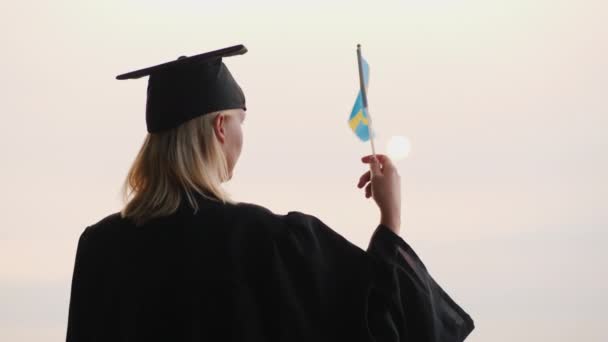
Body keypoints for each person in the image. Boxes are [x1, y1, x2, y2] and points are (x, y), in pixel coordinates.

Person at [66, 44, 475, 341]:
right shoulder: (267, 241)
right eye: (241, 120)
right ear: (220, 127)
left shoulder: (100, 249)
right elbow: (382, 322)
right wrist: (390, 221)